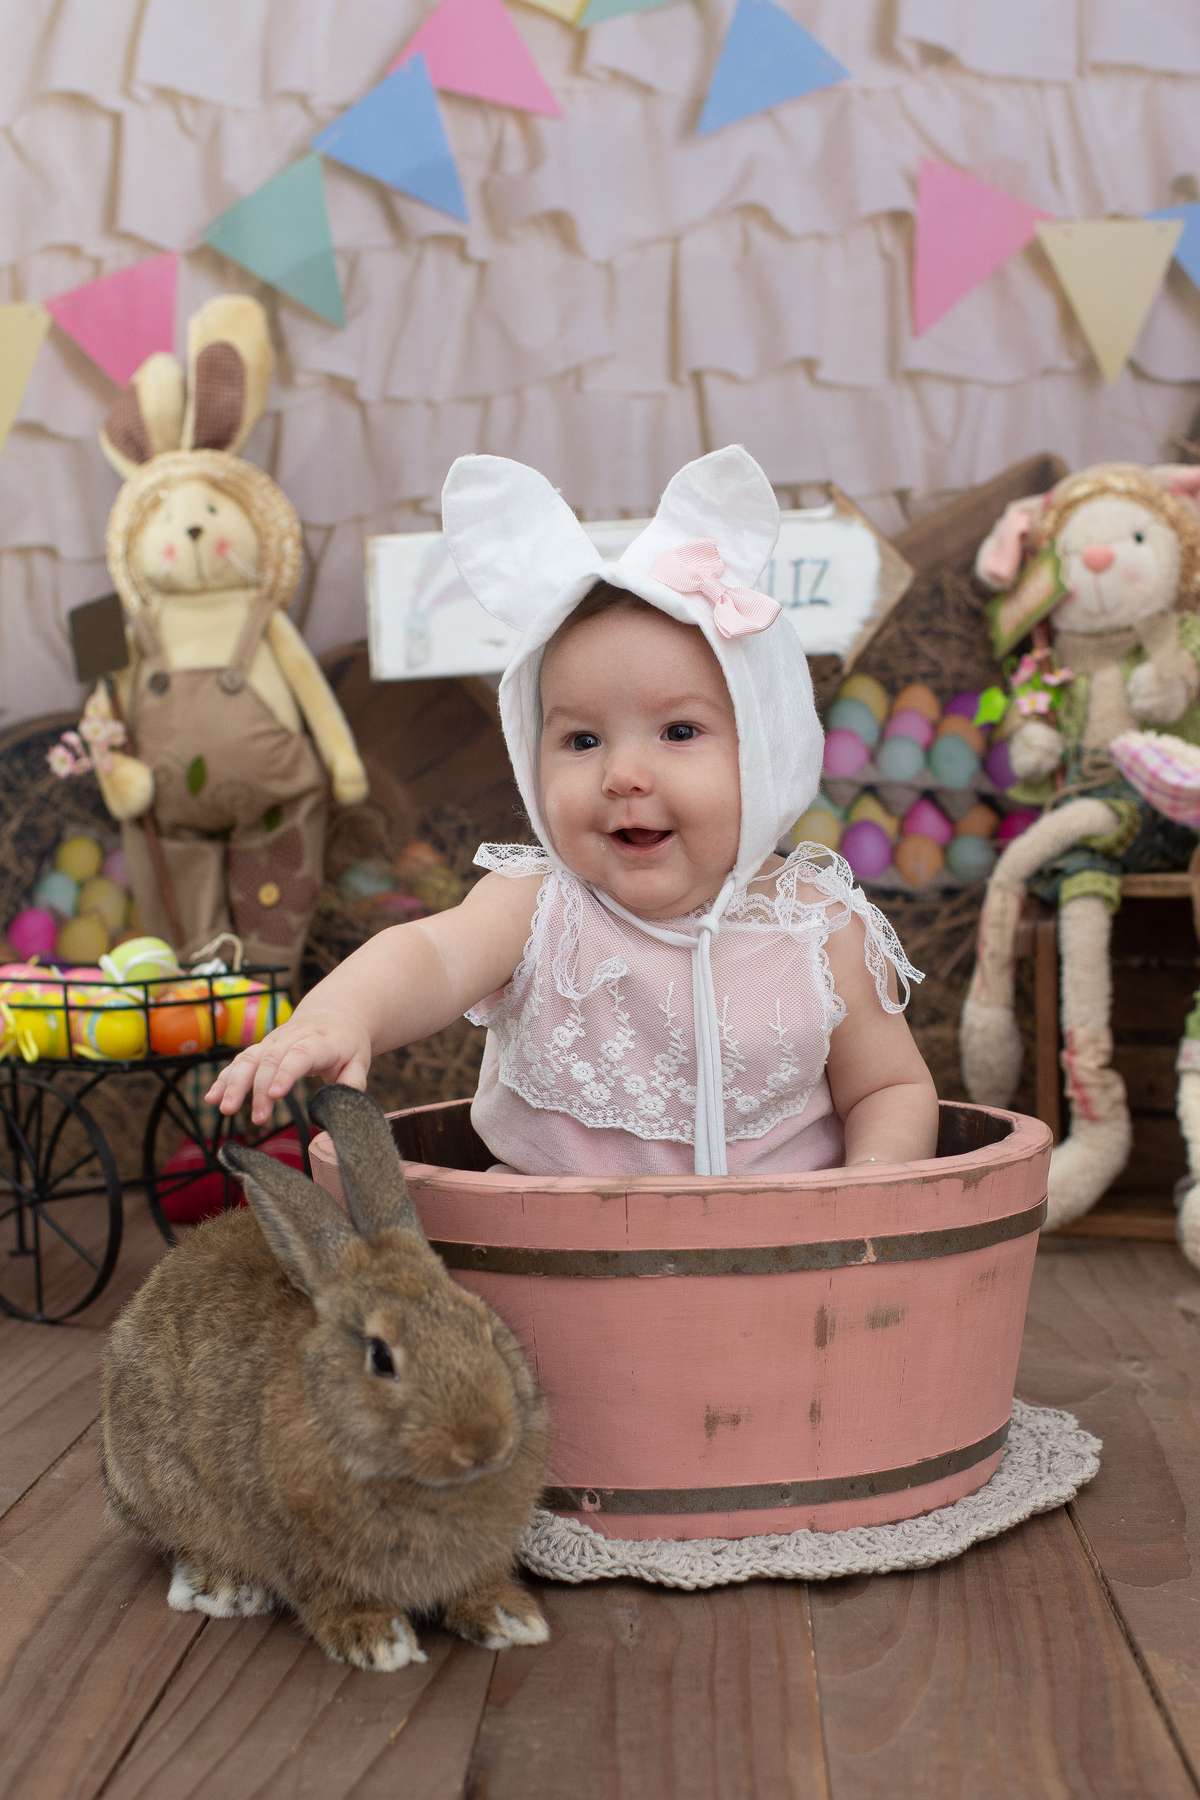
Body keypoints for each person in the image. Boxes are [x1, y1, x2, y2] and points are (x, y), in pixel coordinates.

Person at [208, 447, 938, 1175]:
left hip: (784, 1270)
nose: (622, 774)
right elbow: (429, 954)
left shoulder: (815, 923)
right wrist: (342, 1014)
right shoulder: (540, 911)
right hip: (561, 1266)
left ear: (766, 751)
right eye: (582, 740)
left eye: (679, 732)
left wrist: (869, 1185)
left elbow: (889, 1087)